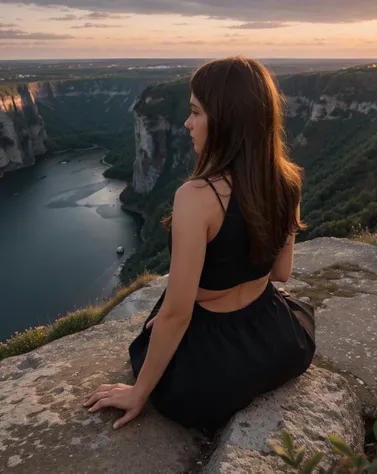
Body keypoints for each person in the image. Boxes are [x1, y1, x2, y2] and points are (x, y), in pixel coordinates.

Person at [83, 56, 316, 431]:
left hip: (210, 371)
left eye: (195, 112)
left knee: (158, 326)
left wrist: (139, 392)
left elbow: (177, 314)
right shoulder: (289, 181)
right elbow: (282, 273)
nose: (187, 123)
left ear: (225, 121)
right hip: (279, 342)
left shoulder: (196, 196)